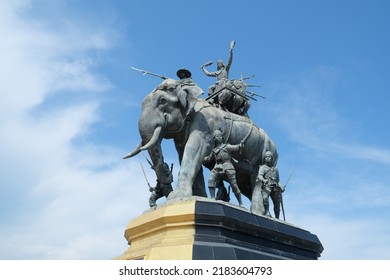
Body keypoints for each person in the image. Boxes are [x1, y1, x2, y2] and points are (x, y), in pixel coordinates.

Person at [204, 129, 244, 207]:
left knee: (234, 185)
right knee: (211, 180)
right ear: (214, 139)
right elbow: (209, 158)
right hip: (217, 166)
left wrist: (240, 145)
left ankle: (240, 203)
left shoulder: (227, 146)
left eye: (220, 136)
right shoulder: (214, 150)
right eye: (216, 136)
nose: (218, 137)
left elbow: (236, 147)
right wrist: (204, 159)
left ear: (222, 137)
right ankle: (212, 198)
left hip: (228, 166)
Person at [257, 151, 284, 218]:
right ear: (264, 158)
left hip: (275, 187)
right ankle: (267, 211)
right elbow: (259, 176)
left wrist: (281, 187)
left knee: (277, 203)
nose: (267, 158)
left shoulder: (275, 169)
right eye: (266, 157)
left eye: (269, 157)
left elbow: (278, 180)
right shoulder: (262, 168)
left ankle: (277, 217)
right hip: (267, 186)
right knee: (265, 198)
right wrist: (263, 180)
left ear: (272, 158)